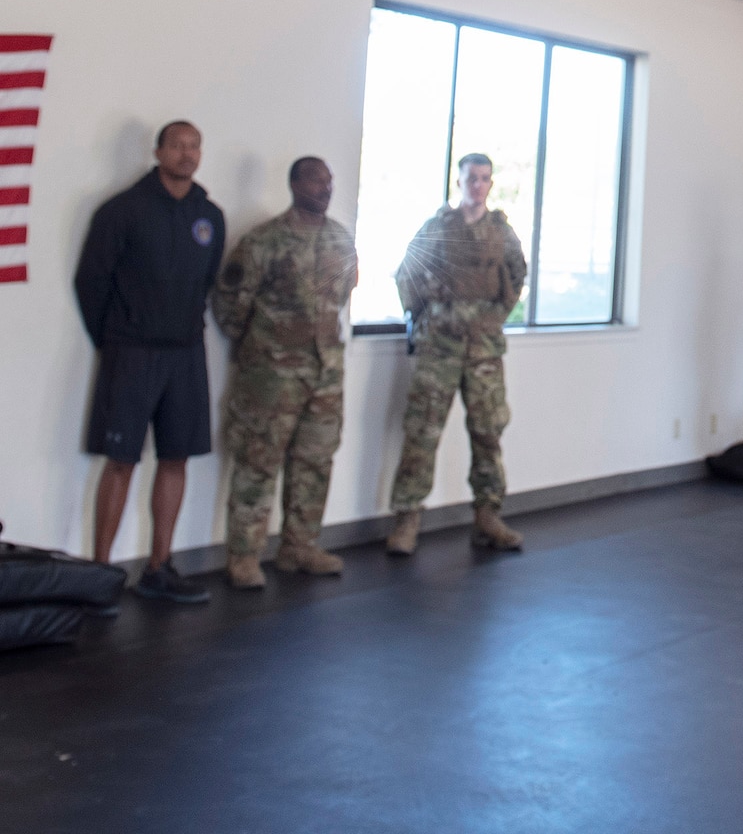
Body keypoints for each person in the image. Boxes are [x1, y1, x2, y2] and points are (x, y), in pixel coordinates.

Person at [74, 120, 225, 605]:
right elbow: (90, 282)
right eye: (177, 146)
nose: (187, 154)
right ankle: (100, 575)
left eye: (194, 146)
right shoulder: (122, 211)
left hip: (186, 353)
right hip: (131, 352)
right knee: (121, 460)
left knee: (176, 457)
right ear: (158, 151)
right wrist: (116, 338)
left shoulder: (210, 216)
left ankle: (159, 567)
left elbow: (207, 282)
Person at [211, 156, 356, 589]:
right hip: (271, 377)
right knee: (258, 463)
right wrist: (260, 350)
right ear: (294, 184)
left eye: (330, 180)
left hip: (325, 373)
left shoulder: (340, 240)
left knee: (315, 463)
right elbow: (230, 305)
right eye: (316, 180)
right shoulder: (263, 242)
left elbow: (342, 297)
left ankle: (300, 547)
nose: (325, 188)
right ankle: (244, 556)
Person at [385, 153, 526, 555]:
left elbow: (516, 276)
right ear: (459, 181)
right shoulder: (438, 228)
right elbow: (407, 274)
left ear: (491, 184)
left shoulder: (502, 233)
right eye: (471, 178)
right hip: (440, 347)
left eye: (484, 178)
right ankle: (407, 519)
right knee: (422, 433)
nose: (477, 185)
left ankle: (488, 516)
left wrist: (492, 317)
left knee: (487, 433)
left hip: (483, 350)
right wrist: (427, 316)